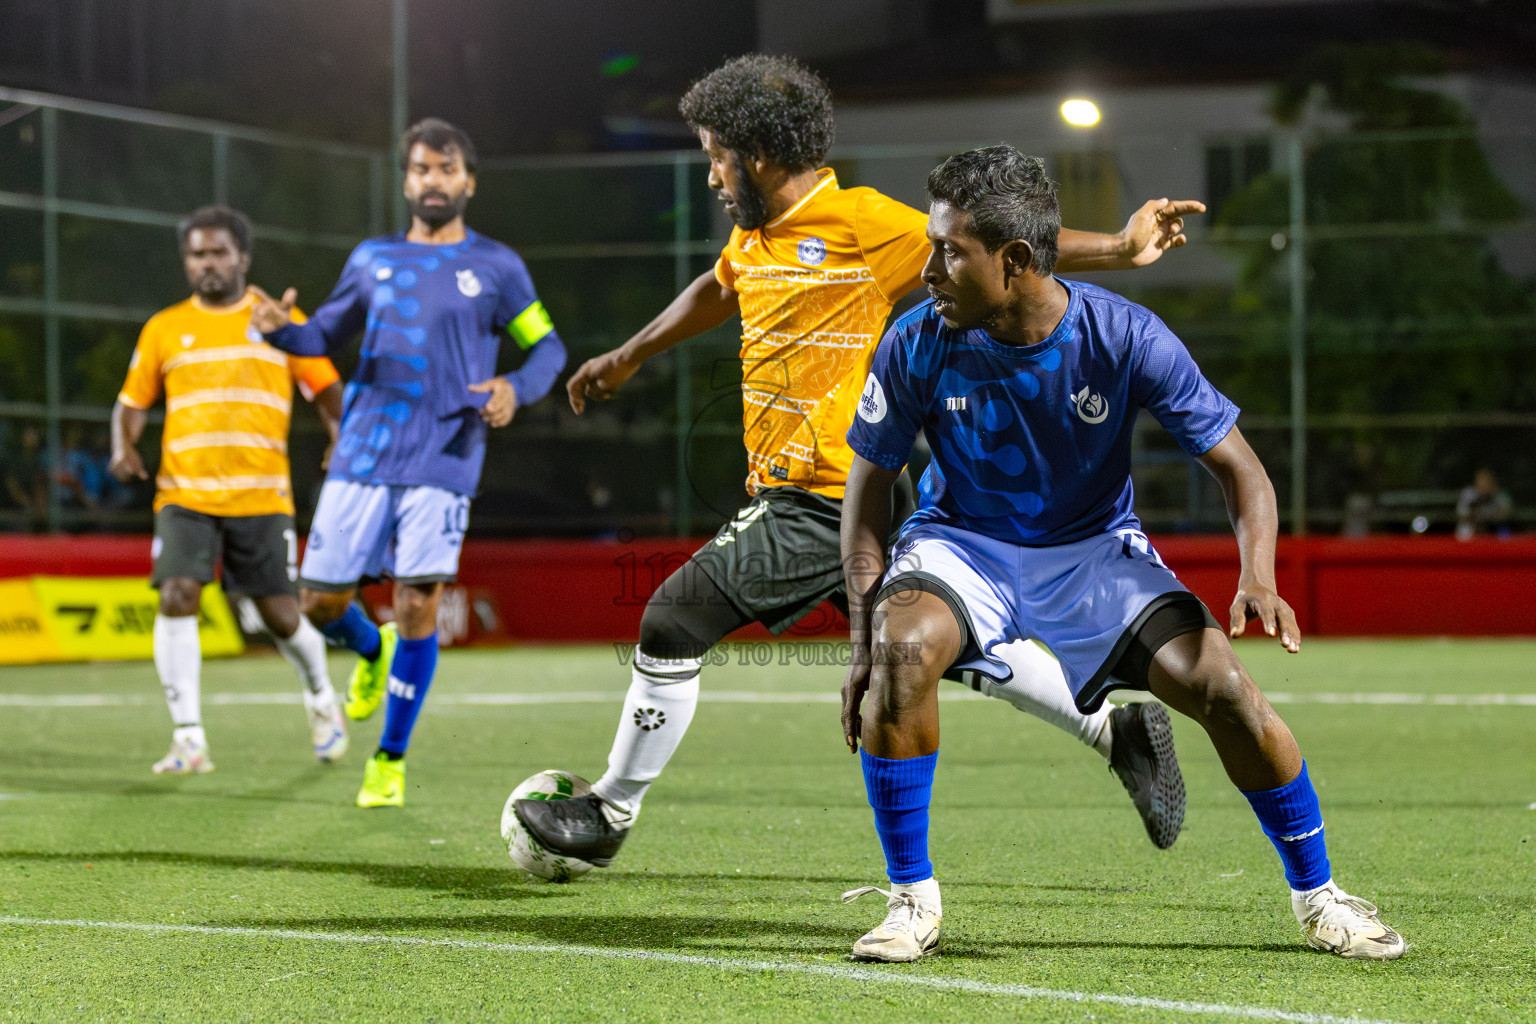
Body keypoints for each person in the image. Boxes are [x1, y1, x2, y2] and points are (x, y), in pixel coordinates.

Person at [516, 54, 1206, 868]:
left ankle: (609, 811)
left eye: (715, 157)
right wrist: (630, 353)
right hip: (821, 497)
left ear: (757, 155)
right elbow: (720, 286)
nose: (710, 176)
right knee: (935, 651)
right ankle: (1118, 732)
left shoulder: (859, 221)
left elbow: (993, 246)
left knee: (673, 616)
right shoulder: (756, 235)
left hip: (829, 494)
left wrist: (1121, 246)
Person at [837, 145, 1404, 962]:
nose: (928, 271)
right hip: (962, 542)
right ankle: (910, 901)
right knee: (901, 653)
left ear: (1016, 260)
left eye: (949, 252)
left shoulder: (1126, 336)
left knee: (1223, 687)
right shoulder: (915, 340)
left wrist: (1258, 574)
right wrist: (864, 637)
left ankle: (1320, 898)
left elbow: (1241, 470)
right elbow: (865, 500)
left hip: (1093, 551)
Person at [251, 118, 567, 809]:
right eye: (422, 168)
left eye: (446, 168)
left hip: (445, 455)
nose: (433, 180)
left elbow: (547, 348)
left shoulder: (497, 268)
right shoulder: (372, 259)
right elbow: (320, 334)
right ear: (405, 181)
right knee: (319, 602)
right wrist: (280, 331)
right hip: (362, 451)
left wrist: (516, 387)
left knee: (417, 600)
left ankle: (388, 760)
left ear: (469, 181)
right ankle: (373, 650)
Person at [110, 205, 347, 774]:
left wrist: (341, 440)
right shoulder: (164, 328)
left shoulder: (278, 320)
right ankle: (189, 739)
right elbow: (131, 403)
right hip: (184, 494)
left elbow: (327, 389)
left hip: (261, 497)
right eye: (197, 254)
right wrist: (123, 446)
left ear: (243, 256)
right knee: (176, 595)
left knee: (279, 617)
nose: (208, 263)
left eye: (219, 252)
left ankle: (320, 694)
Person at [1455, 467, 1513, 540]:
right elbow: (1462, 515)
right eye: (1482, 481)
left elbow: (1506, 515)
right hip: (1474, 526)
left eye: (1487, 481)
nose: (1484, 484)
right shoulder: (1468, 493)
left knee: (1505, 532)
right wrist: (1479, 500)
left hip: (1494, 527)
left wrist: (1492, 497)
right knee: (1464, 530)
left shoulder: (1500, 496)